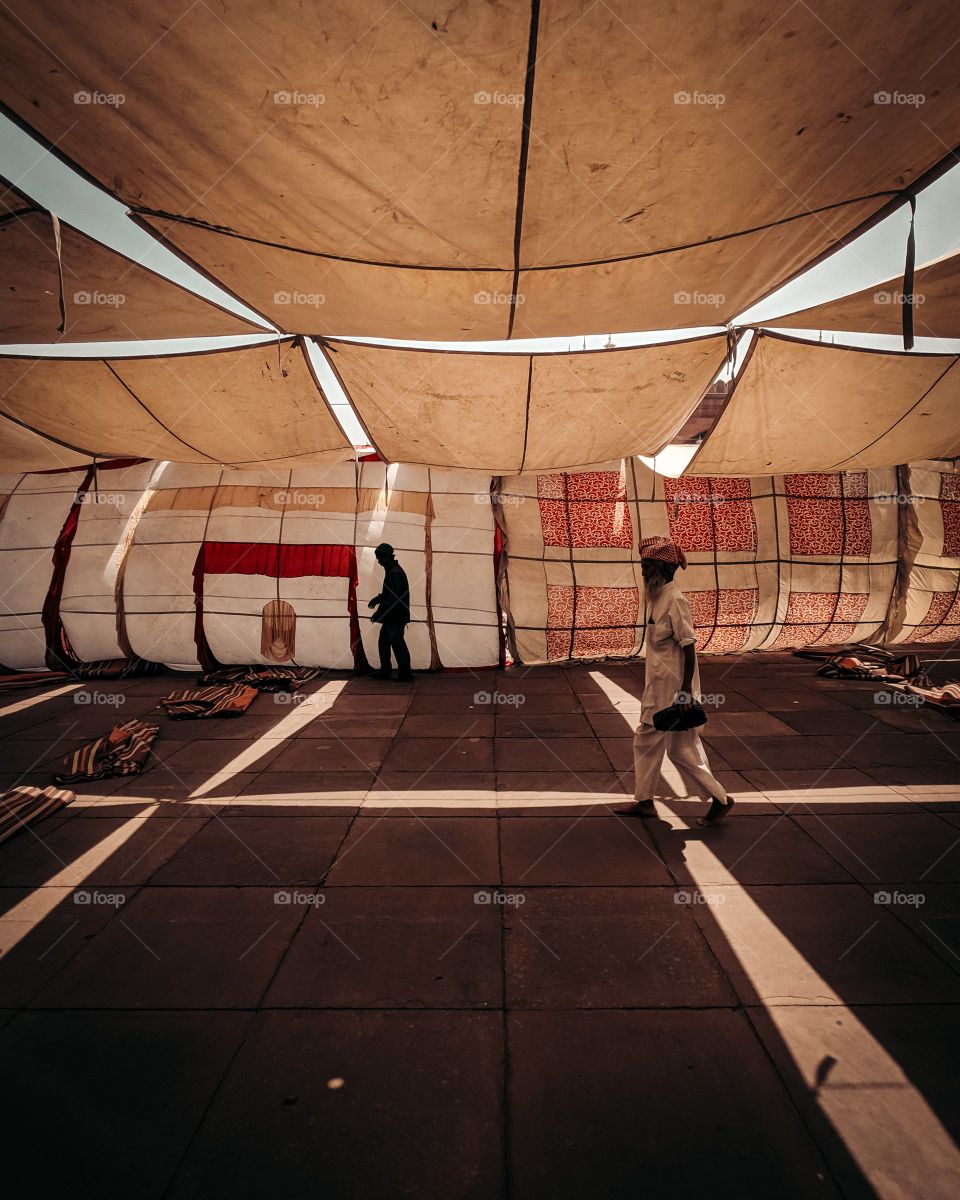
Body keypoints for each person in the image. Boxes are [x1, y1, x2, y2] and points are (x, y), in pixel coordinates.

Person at [627, 536, 733, 827]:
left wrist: (686, 692)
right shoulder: (655, 595)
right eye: (643, 565)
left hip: (674, 691)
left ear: (662, 568)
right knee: (649, 740)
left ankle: (721, 800)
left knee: (679, 749)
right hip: (657, 686)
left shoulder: (675, 600)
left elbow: (689, 647)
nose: (644, 571)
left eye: (648, 566)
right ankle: (645, 801)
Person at [367, 542, 413, 682]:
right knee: (384, 642)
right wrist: (378, 598)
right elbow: (389, 594)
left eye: (380, 558)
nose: (379, 562)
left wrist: (379, 613)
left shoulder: (394, 573)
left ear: (387, 557)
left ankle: (405, 674)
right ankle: (386, 670)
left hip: (396, 616)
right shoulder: (392, 570)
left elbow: (393, 598)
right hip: (393, 615)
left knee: (397, 644)